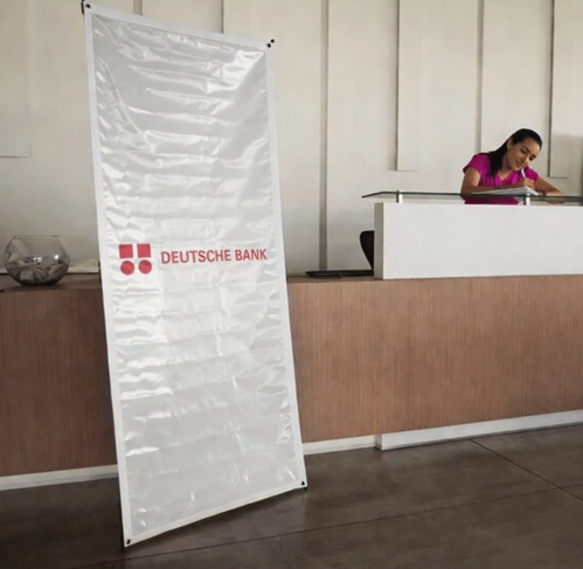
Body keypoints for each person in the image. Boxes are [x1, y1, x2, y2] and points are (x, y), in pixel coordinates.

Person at [460, 128, 564, 204]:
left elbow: (561, 197)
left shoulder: (525, 174)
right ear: (510, 143)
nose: (525, 160)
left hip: (508, 224)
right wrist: (512, 188)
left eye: (531, 158)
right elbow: (466, 191)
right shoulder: (482, 161)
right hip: (476, 221)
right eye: (523, 151)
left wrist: (536, 193)